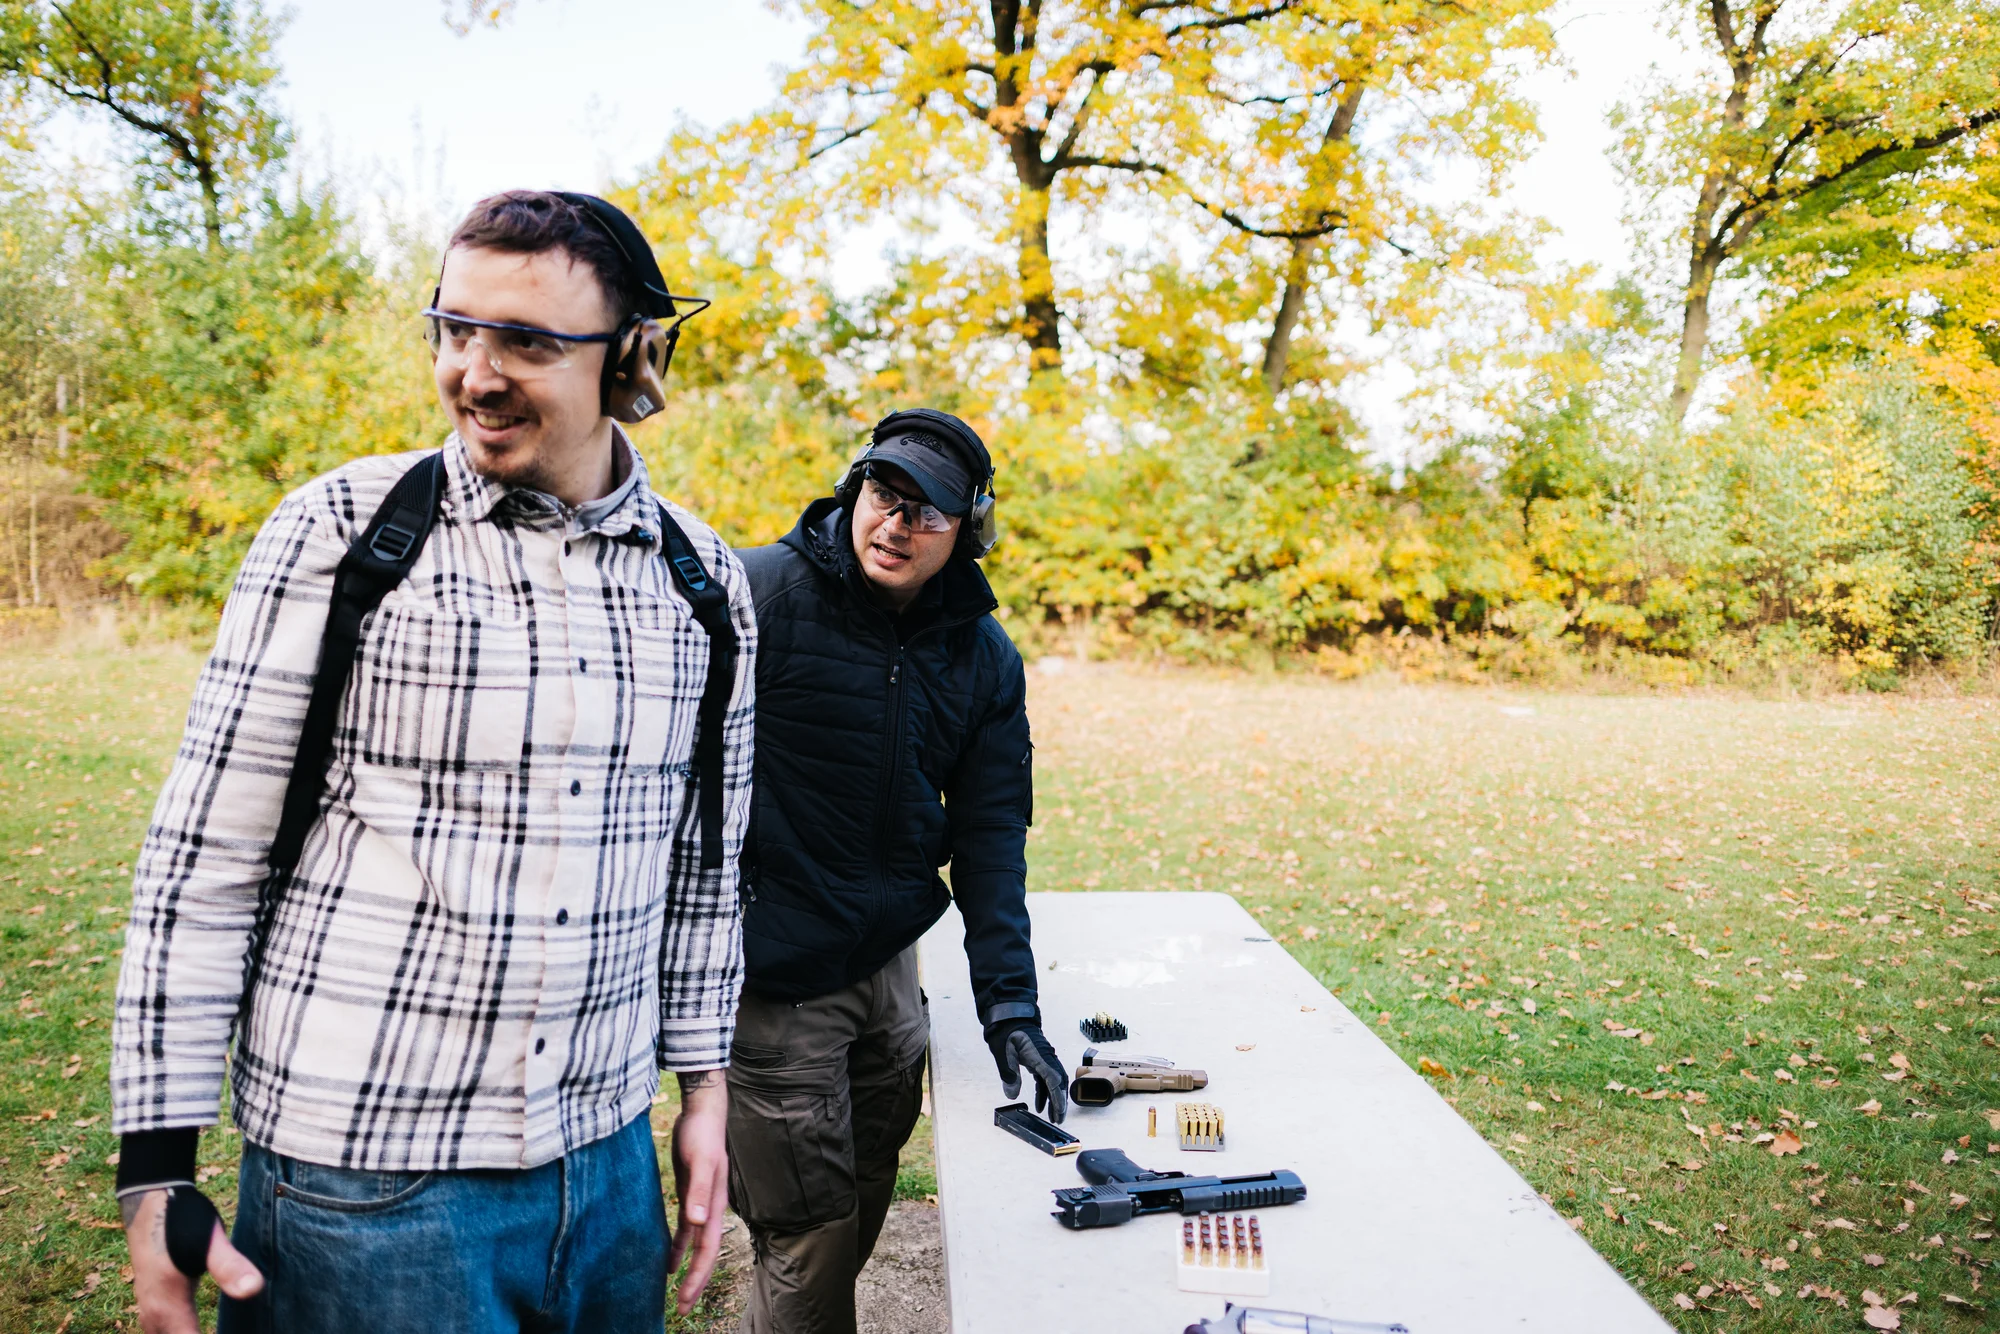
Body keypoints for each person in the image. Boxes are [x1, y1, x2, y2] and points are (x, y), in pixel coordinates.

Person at [108, 190, 756, 1334]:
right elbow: (203, 861)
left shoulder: (703, 584)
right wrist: (155, 1167)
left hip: (607, 1165)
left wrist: (703, 1087)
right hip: (365, 1183)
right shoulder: (340, 531)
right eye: (454, 329)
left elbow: (703, 872)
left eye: (526, 340)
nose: (474, 373)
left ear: (634, 360)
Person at [730, 409, 1067, 1334]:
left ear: (968, 529)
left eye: (928, 511)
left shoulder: (983, 656)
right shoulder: (754, 597)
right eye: (884, 493)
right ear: (855, 487)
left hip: (890, 974)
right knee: (805, 1232)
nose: (896, 524)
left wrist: (1010, 1006)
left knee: (862, 1190)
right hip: (777, 975)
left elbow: (991, 836)